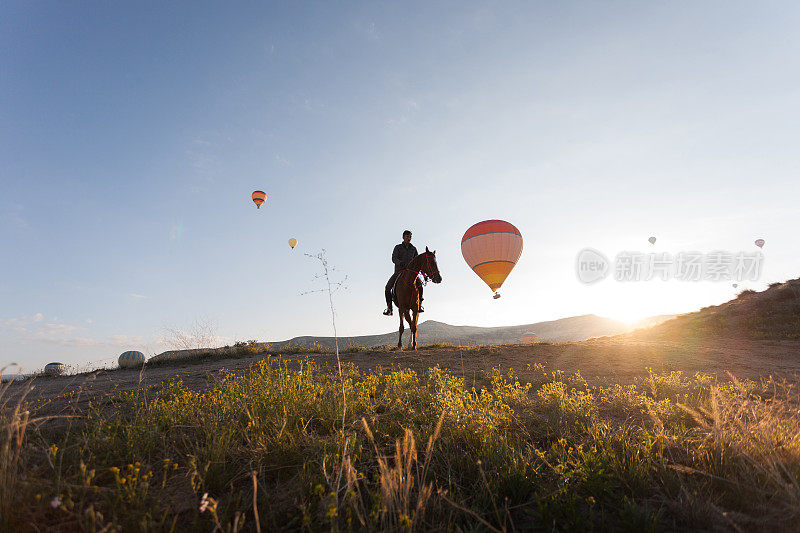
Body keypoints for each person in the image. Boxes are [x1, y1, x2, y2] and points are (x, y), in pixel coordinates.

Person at [383, 229, 424, 316]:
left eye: (410, 237)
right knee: (387, 288)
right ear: (403, 237)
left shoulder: (413, 249)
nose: (409, 238)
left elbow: (417, 260)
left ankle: (419, 305)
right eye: (407, 237)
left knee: (420, 286)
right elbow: (394, 258)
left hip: (411, 273)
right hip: (399, 272)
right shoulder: (397, 247)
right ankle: (389, 308)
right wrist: (401, 263)